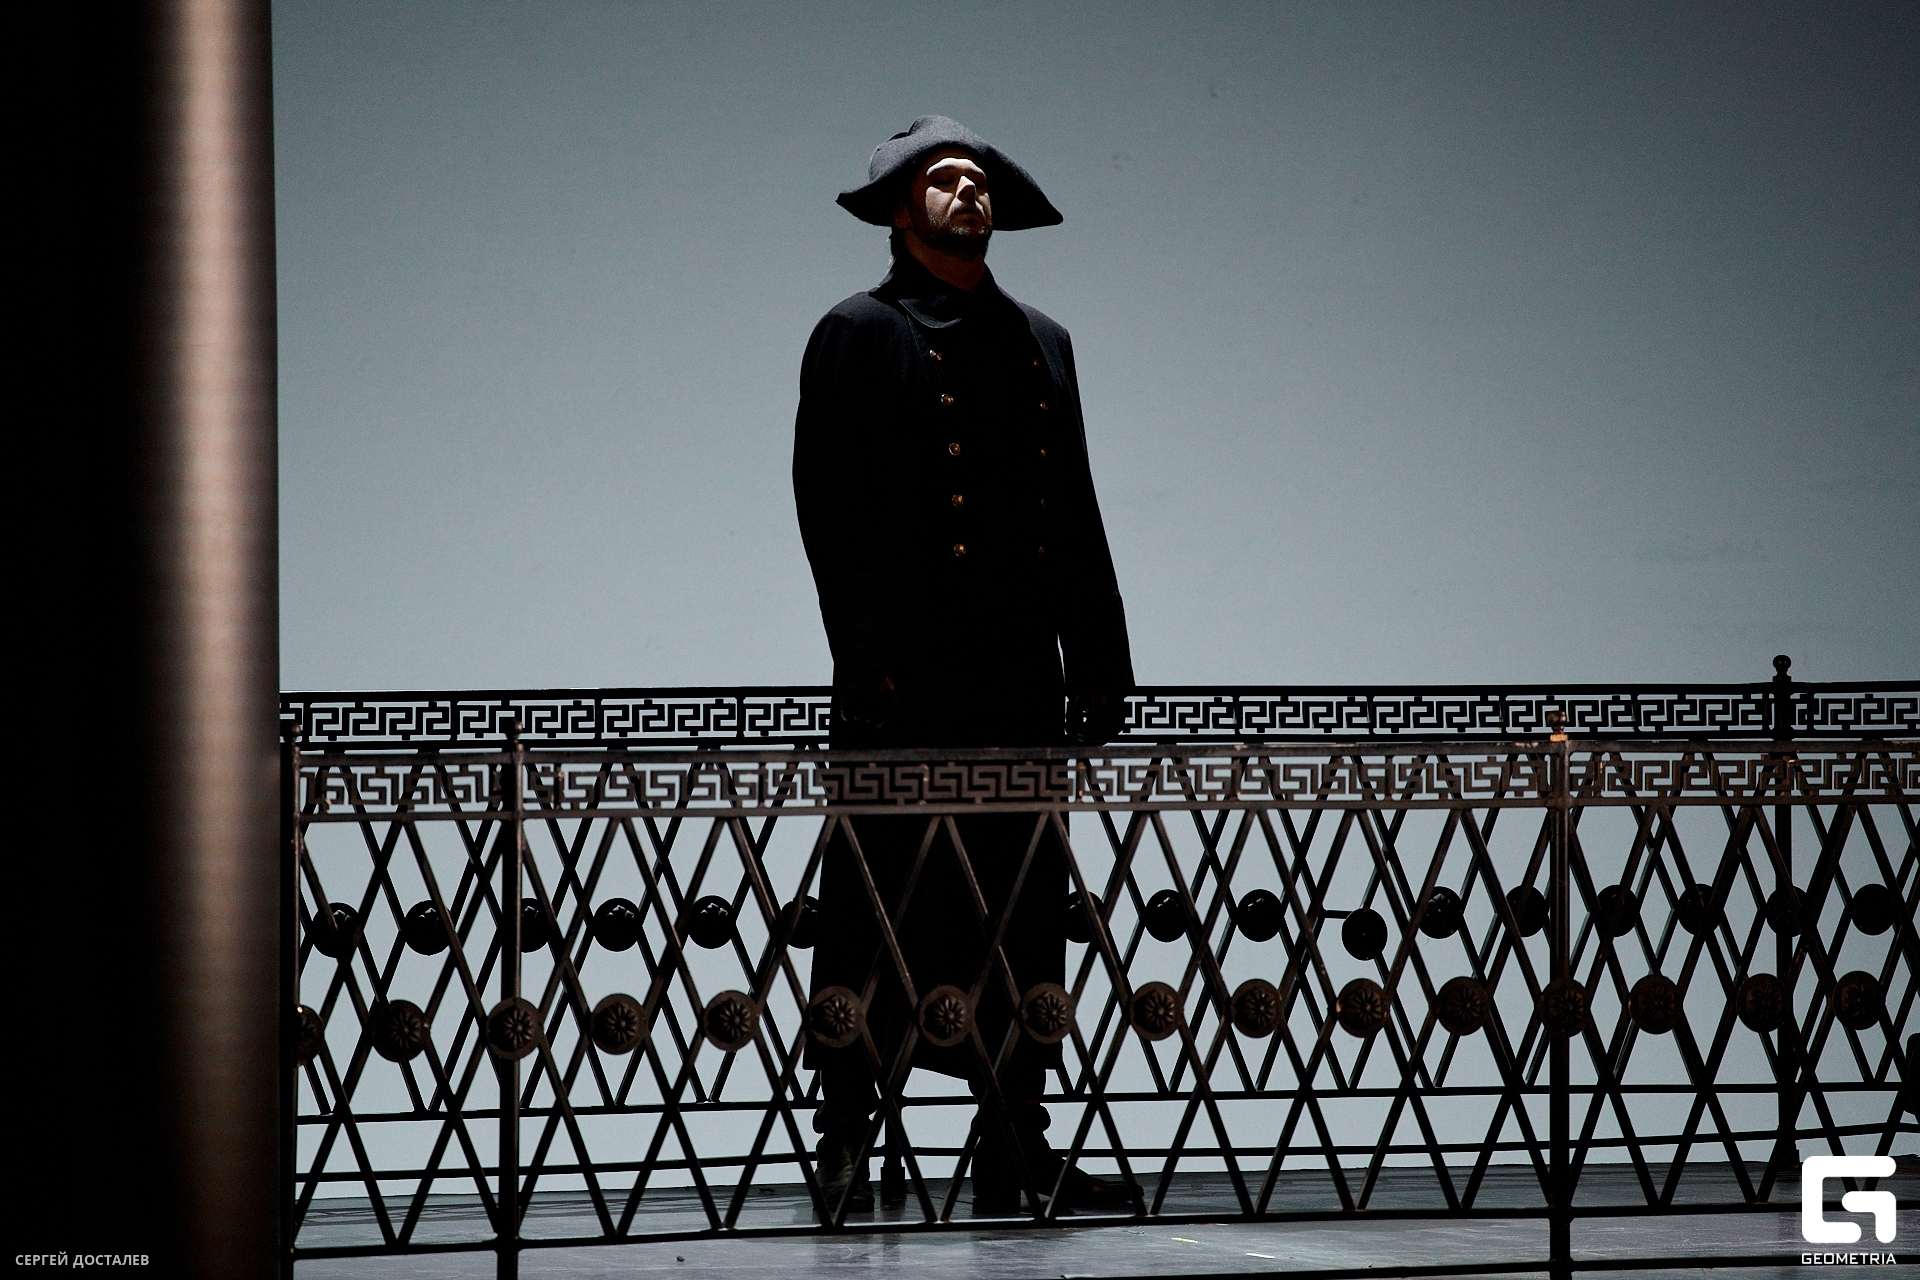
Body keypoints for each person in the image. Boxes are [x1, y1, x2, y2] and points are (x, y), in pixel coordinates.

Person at [791, 115, 1137, 1217]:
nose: (966, 192)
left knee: (1023, 908)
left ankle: (1016, 1144)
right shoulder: (858, 331)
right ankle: (846, 1140)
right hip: (902, 685)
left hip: (1020, 680)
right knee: (874, 903)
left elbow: (1073, 510)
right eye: (942, 180)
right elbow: (829, 515)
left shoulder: (1044, 340)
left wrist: (1102, 659)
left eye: (978, 179)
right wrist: (869, 663)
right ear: (901, 211)